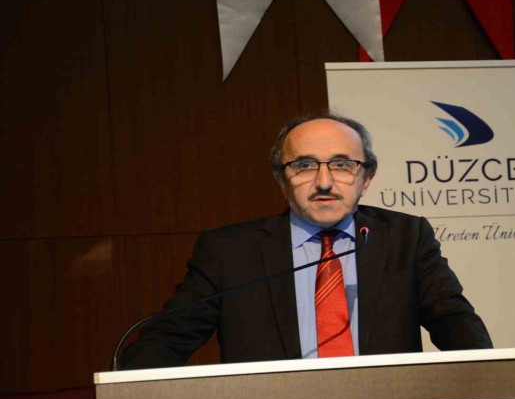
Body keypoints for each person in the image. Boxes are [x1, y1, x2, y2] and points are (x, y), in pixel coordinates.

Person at [120, 113, 492, 369]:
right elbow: (170, 337)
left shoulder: (405, 238)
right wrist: (122, 395)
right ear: (282, 181)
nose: (324, 182)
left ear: (366, 178)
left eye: (342, 164)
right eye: (304, 166)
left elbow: (452, 319)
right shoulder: (229, 251)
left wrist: (489, 378)